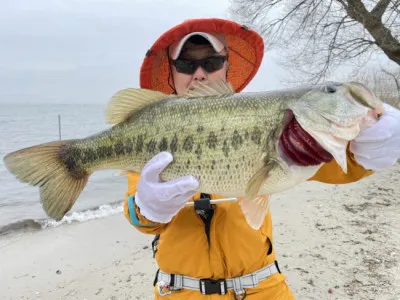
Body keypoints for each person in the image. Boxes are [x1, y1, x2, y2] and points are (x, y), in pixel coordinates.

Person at [122, 18, 400, 299]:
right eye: (185, 64)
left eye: (211, 63)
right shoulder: (152, 131)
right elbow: (142, 219)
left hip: (263, 289)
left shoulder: (268, 119)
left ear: (227, 65)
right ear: (171, 71)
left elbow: (341, 167)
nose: (199, 74)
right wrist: (146, 207)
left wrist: (373, 149)